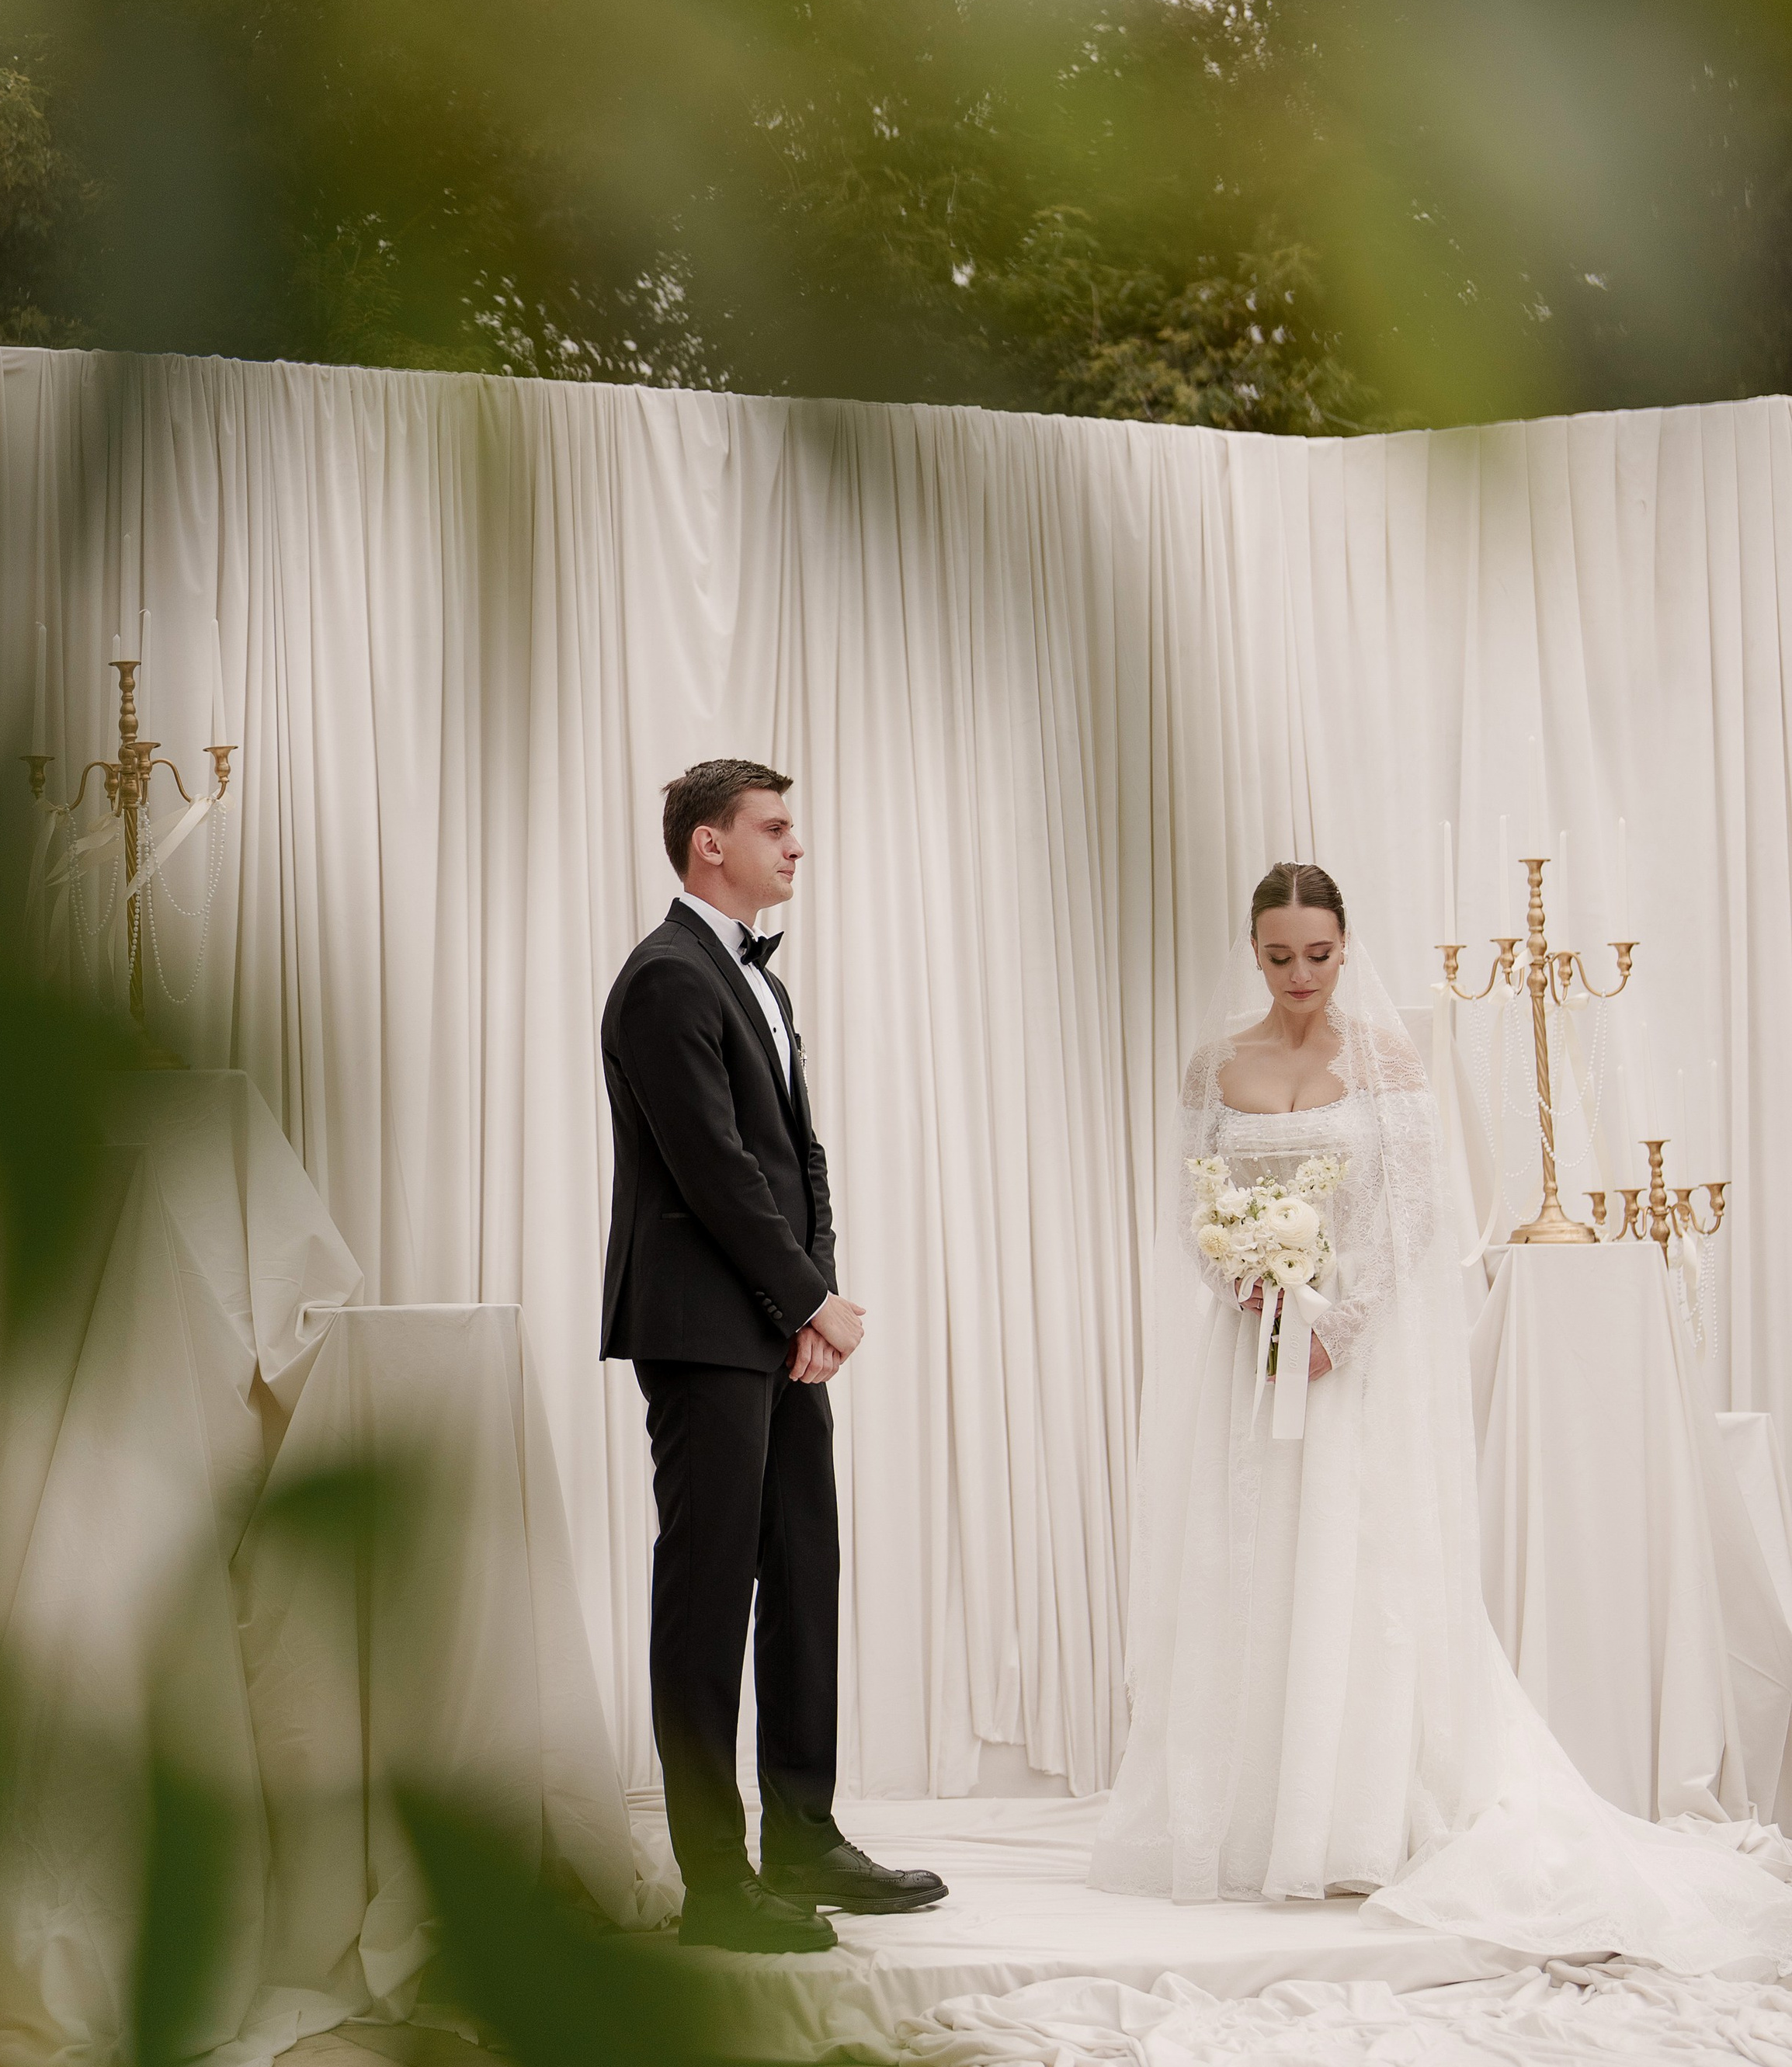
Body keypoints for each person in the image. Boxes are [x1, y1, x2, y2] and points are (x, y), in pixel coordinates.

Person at [1092, 856, 1792, 1973]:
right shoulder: (1214, 1064)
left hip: (1349, 1351)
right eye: (1279, 956)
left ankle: (1358, 1815)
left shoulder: (1384, 1056)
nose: (1300, 975)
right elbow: (1192, 1205)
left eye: (1319, 954)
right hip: (1252, 1349)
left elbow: (1415, 1208)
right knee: (1251, 1551)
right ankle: (1253, 1815)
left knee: (1355, 1557)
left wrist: (1341, 1318)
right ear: (1253, 952)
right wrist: (1247, 1283)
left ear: (1346, 947)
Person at [601, 758, 948, 1954]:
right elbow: (711, 1165)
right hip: (701, 1326)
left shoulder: (761, 981)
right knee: (708, 1594)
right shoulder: (664, 976)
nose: (796, 846)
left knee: (804, 1567)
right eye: (775, 827)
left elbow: (801, 1161)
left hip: (775, 1322)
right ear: (710, 842)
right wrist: (805, 1294)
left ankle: (805, 1833)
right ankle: (716, 1880)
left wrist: (814, 1301)